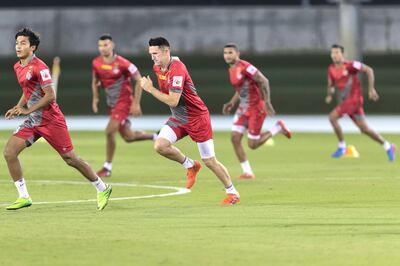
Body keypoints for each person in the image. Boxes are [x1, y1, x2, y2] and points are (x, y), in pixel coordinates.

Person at [3, 28, 112, 210]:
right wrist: (18, 106)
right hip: (33, 121)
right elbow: (27, 89)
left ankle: (102, 188)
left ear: (33, 47)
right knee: (9, 152)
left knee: (70, 159)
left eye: (23, 43)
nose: (18, 46)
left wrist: (28, 109)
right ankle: (24, 196)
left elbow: (50, 95)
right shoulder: (18, 66)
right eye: (17, 43)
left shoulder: (40, 67)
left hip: (51, 120)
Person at [141, 37, 240, 205]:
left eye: (156, 53)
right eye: (151, 54)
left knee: (209, 161)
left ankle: (232, 192)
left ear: (166, 51)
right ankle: (190, 165)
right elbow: (175, 60)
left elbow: (173, 100)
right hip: (179, 118)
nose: (153, 58)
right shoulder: (158, 67)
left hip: (197, 118)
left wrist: (150, 89)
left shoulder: (177, 70)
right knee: (160, 145)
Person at [222, 43, 292, 179]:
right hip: (243, 109)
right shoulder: (231, 69)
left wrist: (267, 102)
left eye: (230, 52)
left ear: (238, 54)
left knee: (252, 145)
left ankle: (278, 127)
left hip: (256, 108)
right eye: (225, 53)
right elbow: (240, 89)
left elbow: (264, 81)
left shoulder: (245, 67)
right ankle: (248, 172)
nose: (227, 55)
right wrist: (232, 102)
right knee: (235, 138)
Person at [92, 34, 156, 177]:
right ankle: (155, 136)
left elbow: (140, 81)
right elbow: (95, 80)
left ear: (112, 45)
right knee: (128, 137)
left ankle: (107, 167)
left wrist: (136, 104)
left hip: (124, 102)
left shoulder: (124, 64)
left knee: (109, 131)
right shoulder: (96, 62)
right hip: (112, 104)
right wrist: (95, 98)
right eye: (100, 45)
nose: (103, 48)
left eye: (106, 45)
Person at [326, 44, 396, 161]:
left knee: (332, 118)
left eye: (337, 52)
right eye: (332, 53)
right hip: (348, 103)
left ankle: (342, 146)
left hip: (354, 100)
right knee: (365, 129)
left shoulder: (351, 65)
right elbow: (331, 84)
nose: (334, 55)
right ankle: (388, 146)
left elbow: (369, 70)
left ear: (343, 54)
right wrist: (330, 94)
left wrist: (371, 89)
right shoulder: (331, 69)